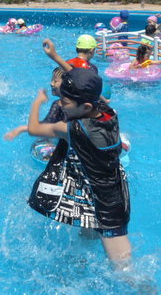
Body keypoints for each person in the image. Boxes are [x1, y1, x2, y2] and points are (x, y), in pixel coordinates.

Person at [26, 68, 131, 264]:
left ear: (85, 106)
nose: (61, 105)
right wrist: (56, 58)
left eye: (64, 103)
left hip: (108, 208)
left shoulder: (72, 129)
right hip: (107, 191)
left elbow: (33, 129)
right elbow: (87, 82)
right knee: (86, 240)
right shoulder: (108, 112)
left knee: (125, 273)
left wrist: (36, 103)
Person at [4, 67, 65, 140]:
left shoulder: (70, 108)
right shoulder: (57, 104)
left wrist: (37, 101)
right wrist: (21, 129)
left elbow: (36, 129)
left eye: (55, 81)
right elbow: (46, 124)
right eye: (52, 80)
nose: (51, 83)